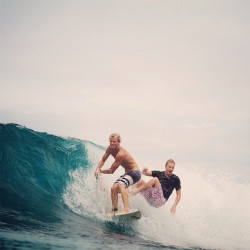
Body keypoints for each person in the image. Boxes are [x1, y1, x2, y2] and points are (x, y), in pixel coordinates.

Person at [94, 133, 141, 212]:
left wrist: (101, 171)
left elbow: (111, 171)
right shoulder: (109, 149)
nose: (112, 143)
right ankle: (114, 208)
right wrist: (98, 168)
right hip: (127, 174)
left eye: (114, 141)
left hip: (135, 173)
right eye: (111, 141)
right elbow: (103, 160)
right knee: (113, 188)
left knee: (120, 185)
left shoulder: (121, 154)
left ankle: (126, 208)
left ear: (119, 142)